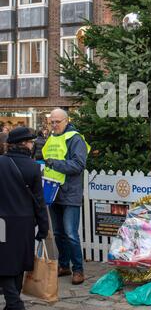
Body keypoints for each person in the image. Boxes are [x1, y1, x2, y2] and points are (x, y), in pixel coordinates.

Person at [0, 127, 49, 310]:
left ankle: (14, 304)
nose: (32, 144)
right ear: (25, 144)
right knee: (18, 263)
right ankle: (13, 306)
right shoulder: (33, 167)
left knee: (3, 264)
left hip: (2, 222)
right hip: (25, 222)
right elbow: (39, 201)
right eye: (30, 142)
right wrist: (43, 227)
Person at [42, 108, 90, 285]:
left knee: (70, 234)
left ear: (66, 120)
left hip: (70, 193)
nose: (54, 125)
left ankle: (78, 270)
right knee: (57, 233)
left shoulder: (76, 138)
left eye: (57, 122)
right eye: (51, 122)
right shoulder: (52, 137)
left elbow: (78, 165)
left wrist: (53, 164)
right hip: (53, 192)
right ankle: (64, 266)